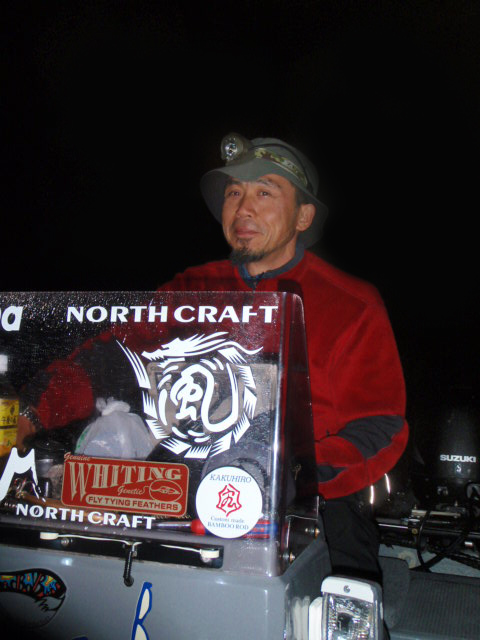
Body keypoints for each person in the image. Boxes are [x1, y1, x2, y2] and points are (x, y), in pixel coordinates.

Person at [17, 132, 408, 581]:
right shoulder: (192, 289)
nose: (243, 209)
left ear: (303, 216)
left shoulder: (352, 304)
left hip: (314, 502)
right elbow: (105, 360)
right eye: (234, 193)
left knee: (340, 585)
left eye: (264, 192)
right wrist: (28, 413)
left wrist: (292, 474)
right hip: (183, 484)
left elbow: (379, 426)